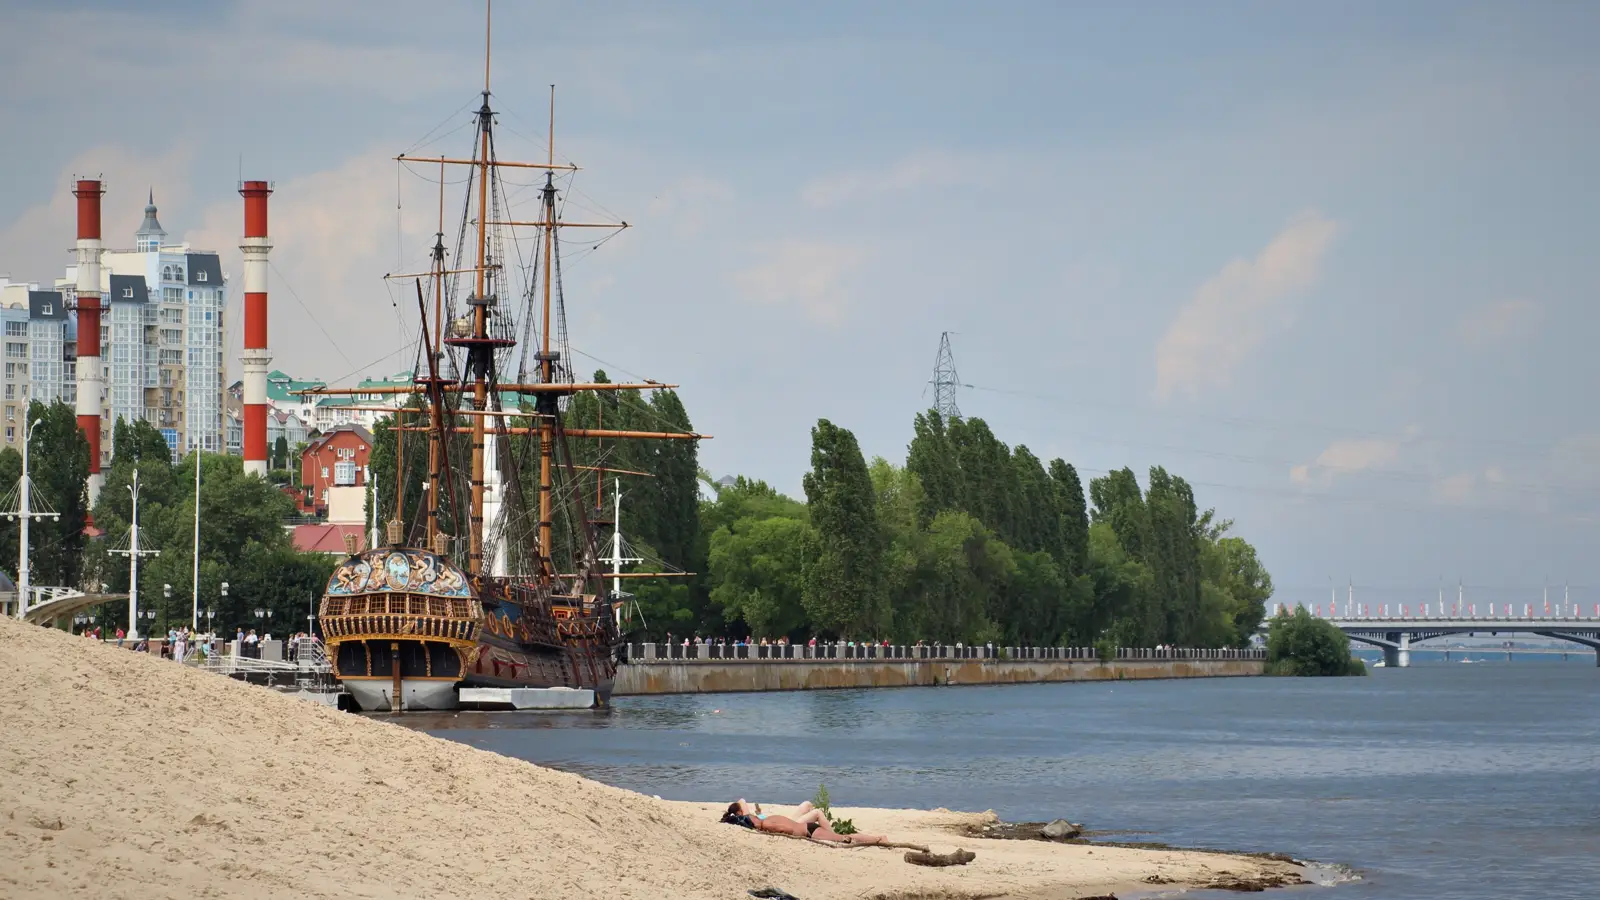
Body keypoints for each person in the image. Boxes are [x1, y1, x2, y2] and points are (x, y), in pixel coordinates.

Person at [719, 800, 887, 845]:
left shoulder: (766, 824)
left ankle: (878, 839)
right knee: (842, 837)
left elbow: (786, 829)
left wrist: (772, 832)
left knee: (844, 838)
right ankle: (876, 838)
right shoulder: (765, 820)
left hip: (809, 831)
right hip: (808, 829)